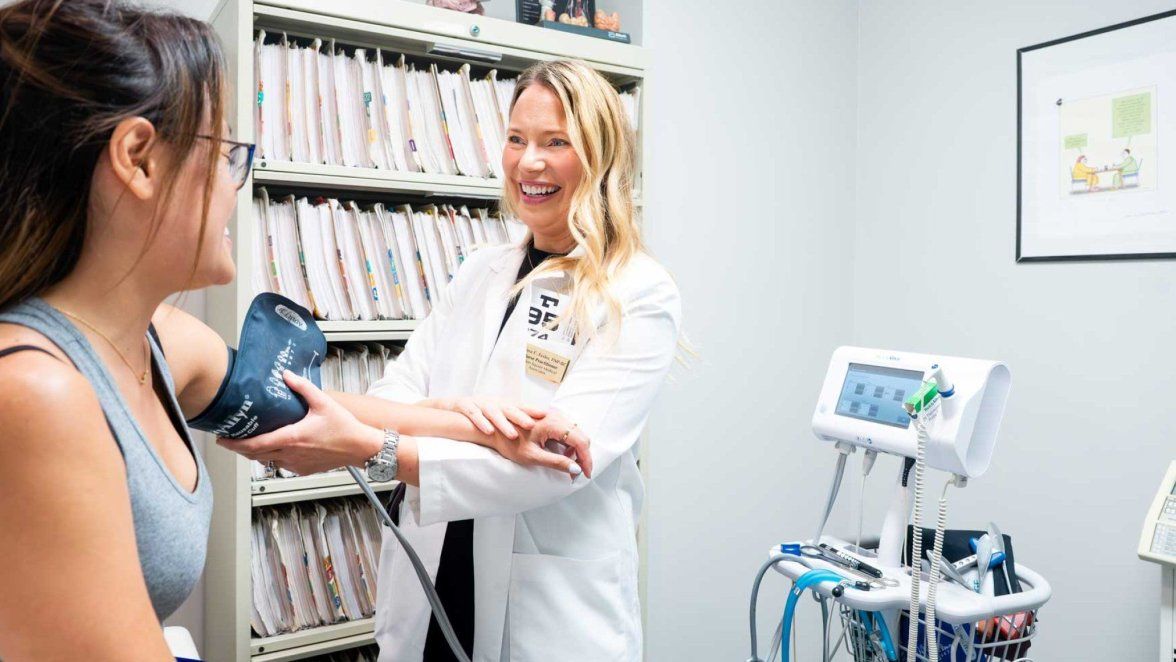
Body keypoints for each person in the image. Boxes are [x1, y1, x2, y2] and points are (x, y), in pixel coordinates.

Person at [0, 1, 573, 658]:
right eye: (225, 153)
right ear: (140, 158)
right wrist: (378, 451)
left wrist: (495, 427)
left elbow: (308, 404)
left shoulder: (156, 338)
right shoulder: (36, 393)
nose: (237, 184)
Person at [226, 60, 682, 661]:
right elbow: (396, 393)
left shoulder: (638, 293)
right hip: (436, 571)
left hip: (547, 611)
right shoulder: (477, 272)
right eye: (516, 139)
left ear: (601, 158)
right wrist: (462, 418)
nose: (529, 163)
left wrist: (378, 447)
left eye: (556, 143)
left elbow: (556, 463)